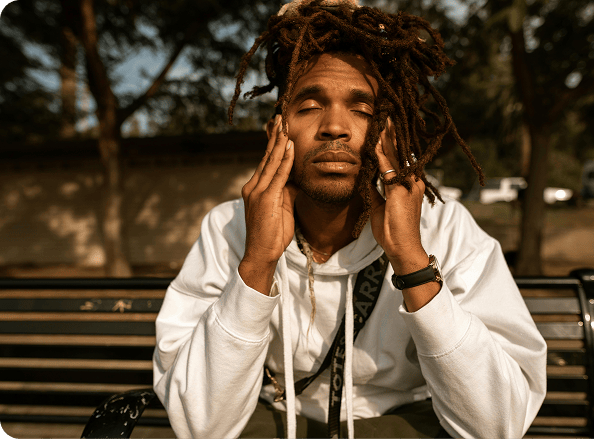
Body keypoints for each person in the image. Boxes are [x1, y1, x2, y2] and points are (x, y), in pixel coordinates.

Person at [153, 1, 547, 438]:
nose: (335, 127)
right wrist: (258, 263)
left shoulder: (445, 228)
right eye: (309, 105)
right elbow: (201, 425)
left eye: (362, 109)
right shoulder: (230, 228)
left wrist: (411, 260)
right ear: (276, 131)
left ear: (390, 133)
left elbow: (497, 425)